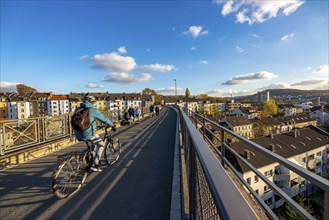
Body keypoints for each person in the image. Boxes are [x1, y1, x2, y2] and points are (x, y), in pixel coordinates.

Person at [74, 95, 115, 172]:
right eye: (93, 102)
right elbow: (104, 120)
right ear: (91, 102)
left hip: (77, 133)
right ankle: (95, 164)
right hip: (88, 133)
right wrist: (112, 125)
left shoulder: (77, 109)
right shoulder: (92, 110)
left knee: (94, 143)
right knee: (101, 145)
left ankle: (88, 158)